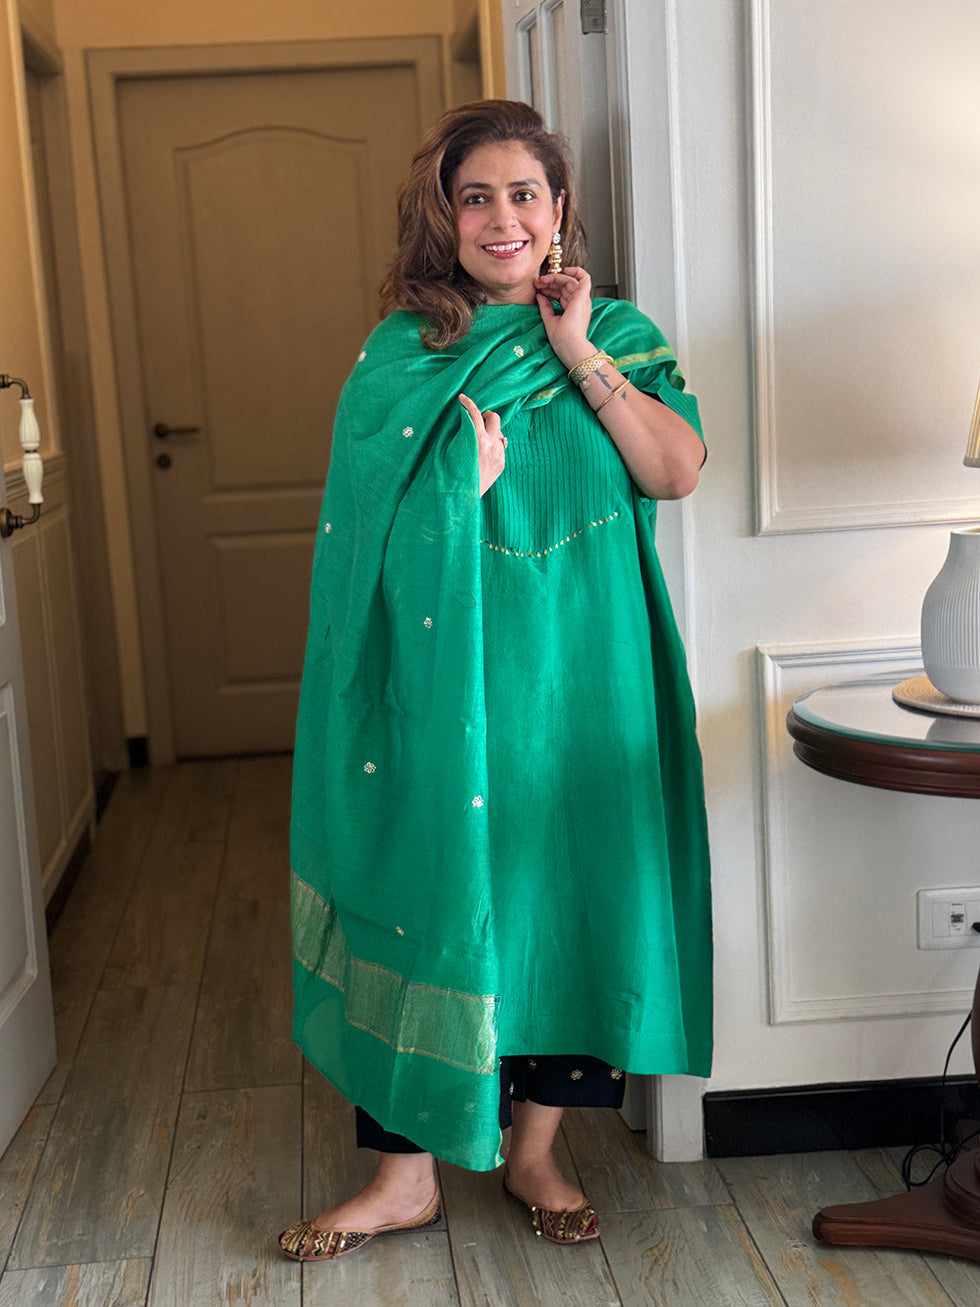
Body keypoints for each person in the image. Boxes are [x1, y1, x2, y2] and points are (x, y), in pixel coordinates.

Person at [280, 99, 712, 1263]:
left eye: (524, 194)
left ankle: (532, 1150)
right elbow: (354, 534)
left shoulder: (614, 331)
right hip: (440, 676)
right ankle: (403, 1171)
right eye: (477, 197)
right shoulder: (401, 352)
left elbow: (673, 471)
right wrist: (447, 498)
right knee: (421, 887)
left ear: (558, 209)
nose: (502, 217)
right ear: (445, 214)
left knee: (563, 896)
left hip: (580, 678)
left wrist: (576, 354)